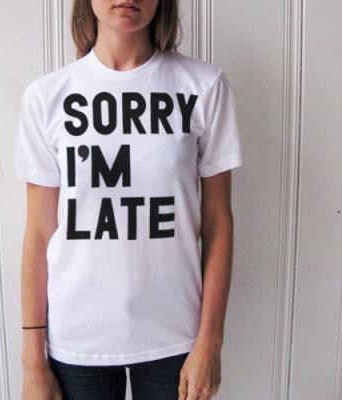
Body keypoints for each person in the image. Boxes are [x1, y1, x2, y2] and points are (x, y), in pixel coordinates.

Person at [15, 0, 243, 399]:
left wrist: (211, 341)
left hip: (176, 337)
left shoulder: (203, 86)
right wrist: (33, 360)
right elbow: (38, 233)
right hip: (77, 339)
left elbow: (218, 222)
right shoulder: (48, 96)